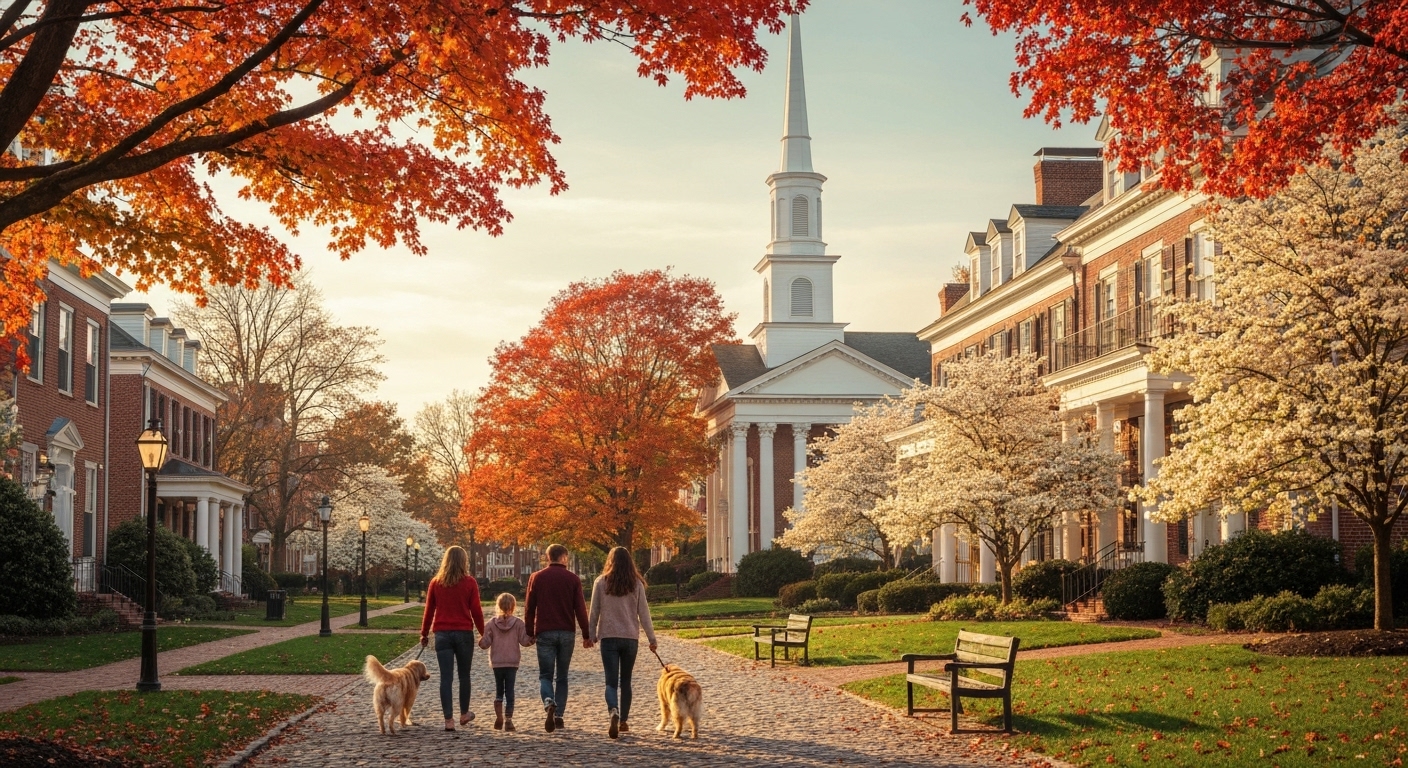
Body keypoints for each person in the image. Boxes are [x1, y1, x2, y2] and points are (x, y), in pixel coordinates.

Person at [587, 546, 657, 740]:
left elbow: (594, 612)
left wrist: (591, 634)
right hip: (630, 638)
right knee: (626, 681)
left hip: (609, 637)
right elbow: (644, 614)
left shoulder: (601, 583)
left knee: (611, 681)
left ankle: (613, 711)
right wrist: (652, 639)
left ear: (610, 561)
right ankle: (624, 720)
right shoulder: (636, 584)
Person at [524, 543, 591, 733]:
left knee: (545, 675)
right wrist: (586, 634)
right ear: (565, 557)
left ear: (548, 557)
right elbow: (580, 609)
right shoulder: (573, 579)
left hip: (545, 632)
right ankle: (559, 715)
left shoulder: (536, 578)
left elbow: (530, 608)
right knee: (562, 676)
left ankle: (548, 701)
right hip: (567, 633)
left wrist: (530, 632)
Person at [420, 545, 486, 731]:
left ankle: (448, 720)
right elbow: (476, 611)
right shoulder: (469, 582)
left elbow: (429, 611)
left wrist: (424, 633)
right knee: (464, 676)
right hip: (464, 633)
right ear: (463, 561)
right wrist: (484, 633)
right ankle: (464, 714)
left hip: (442, 634)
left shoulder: (436, 583)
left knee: (446, 678)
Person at [478, 592, 534, 731]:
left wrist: (481, 640)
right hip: (512, 662)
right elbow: (524, 641)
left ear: (498, 606)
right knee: (510, 690)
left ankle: (499, 716)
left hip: (497, 662)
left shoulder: (491, 623)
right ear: (513, 606)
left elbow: (485, 643)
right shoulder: (518, 623)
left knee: (499, 690)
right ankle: (509, 719)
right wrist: (534, 638)